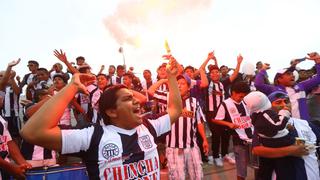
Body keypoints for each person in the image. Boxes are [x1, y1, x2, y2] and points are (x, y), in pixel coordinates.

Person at [20, 57, 182, 179]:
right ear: (111, 112)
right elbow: (32, 132)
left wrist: (172, 78)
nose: (136, 101)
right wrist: (71, 88)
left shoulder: (149, 126)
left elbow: (175, 110)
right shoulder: (93, 136)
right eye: (127, 99)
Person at [252, 91, 320, 180]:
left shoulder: (305, 124)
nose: (284, 105)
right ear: (269, 107)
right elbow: (256, 150)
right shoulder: (266, 128)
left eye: (286, 101)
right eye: (278, 102)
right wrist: (290, 150)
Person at [254, 52, 320, 120]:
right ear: (279, 79)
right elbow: (258, 84)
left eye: (292, 74)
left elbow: (319, 78)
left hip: (305, 127)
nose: (292, 75)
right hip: (286, 128)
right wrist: (262, 70)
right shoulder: (273, 89)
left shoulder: (302, 86)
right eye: (288, 74)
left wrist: (318, 61)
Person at [211, 81, 252, 180]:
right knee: (241, 169)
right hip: (239, 139)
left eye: (244, 97)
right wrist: (229, 124)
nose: (242, 99)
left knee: (255, 164)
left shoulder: (245, 102)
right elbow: (215, 119)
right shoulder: (225, 104)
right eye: (240, 96)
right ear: (233, 92)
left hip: (251, 137)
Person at [0, 59, 32, 179]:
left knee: (14, 136)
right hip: (6, 167)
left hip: (12, 115)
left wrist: (21, 162)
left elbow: (8, 141)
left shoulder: (1, 121)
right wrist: (11, 168)